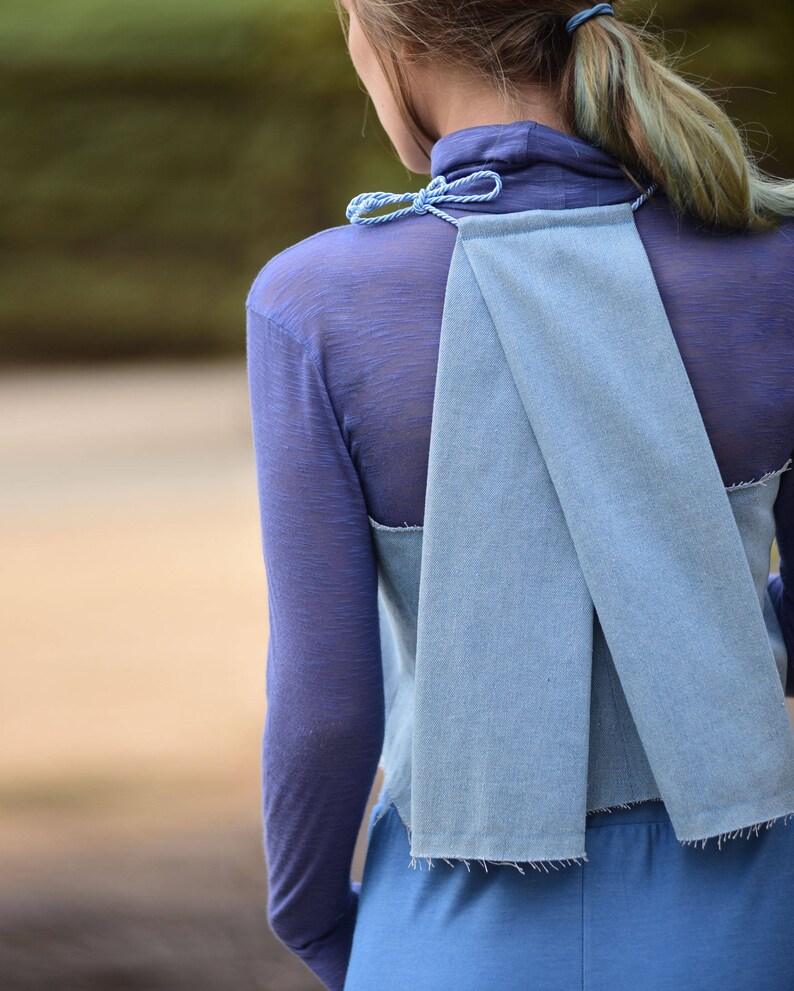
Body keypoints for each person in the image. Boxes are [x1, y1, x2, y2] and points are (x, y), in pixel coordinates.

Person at [245, 3, 794, 989]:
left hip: (450, 928)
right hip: (746, 918)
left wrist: (317, 921)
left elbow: (326, 709)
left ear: (386, 45)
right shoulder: (769, 263)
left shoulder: (312, 303)